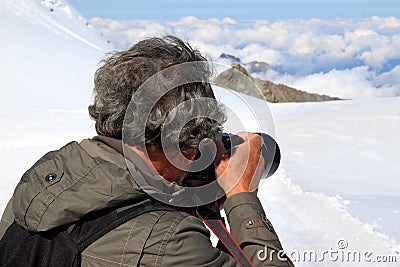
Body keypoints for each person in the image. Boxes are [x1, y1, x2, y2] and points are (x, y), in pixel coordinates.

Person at [0, 36, 294, 266]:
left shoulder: (47, 177)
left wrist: (176, 198)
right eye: (198, 139)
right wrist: (241, 196)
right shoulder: (171, 241)